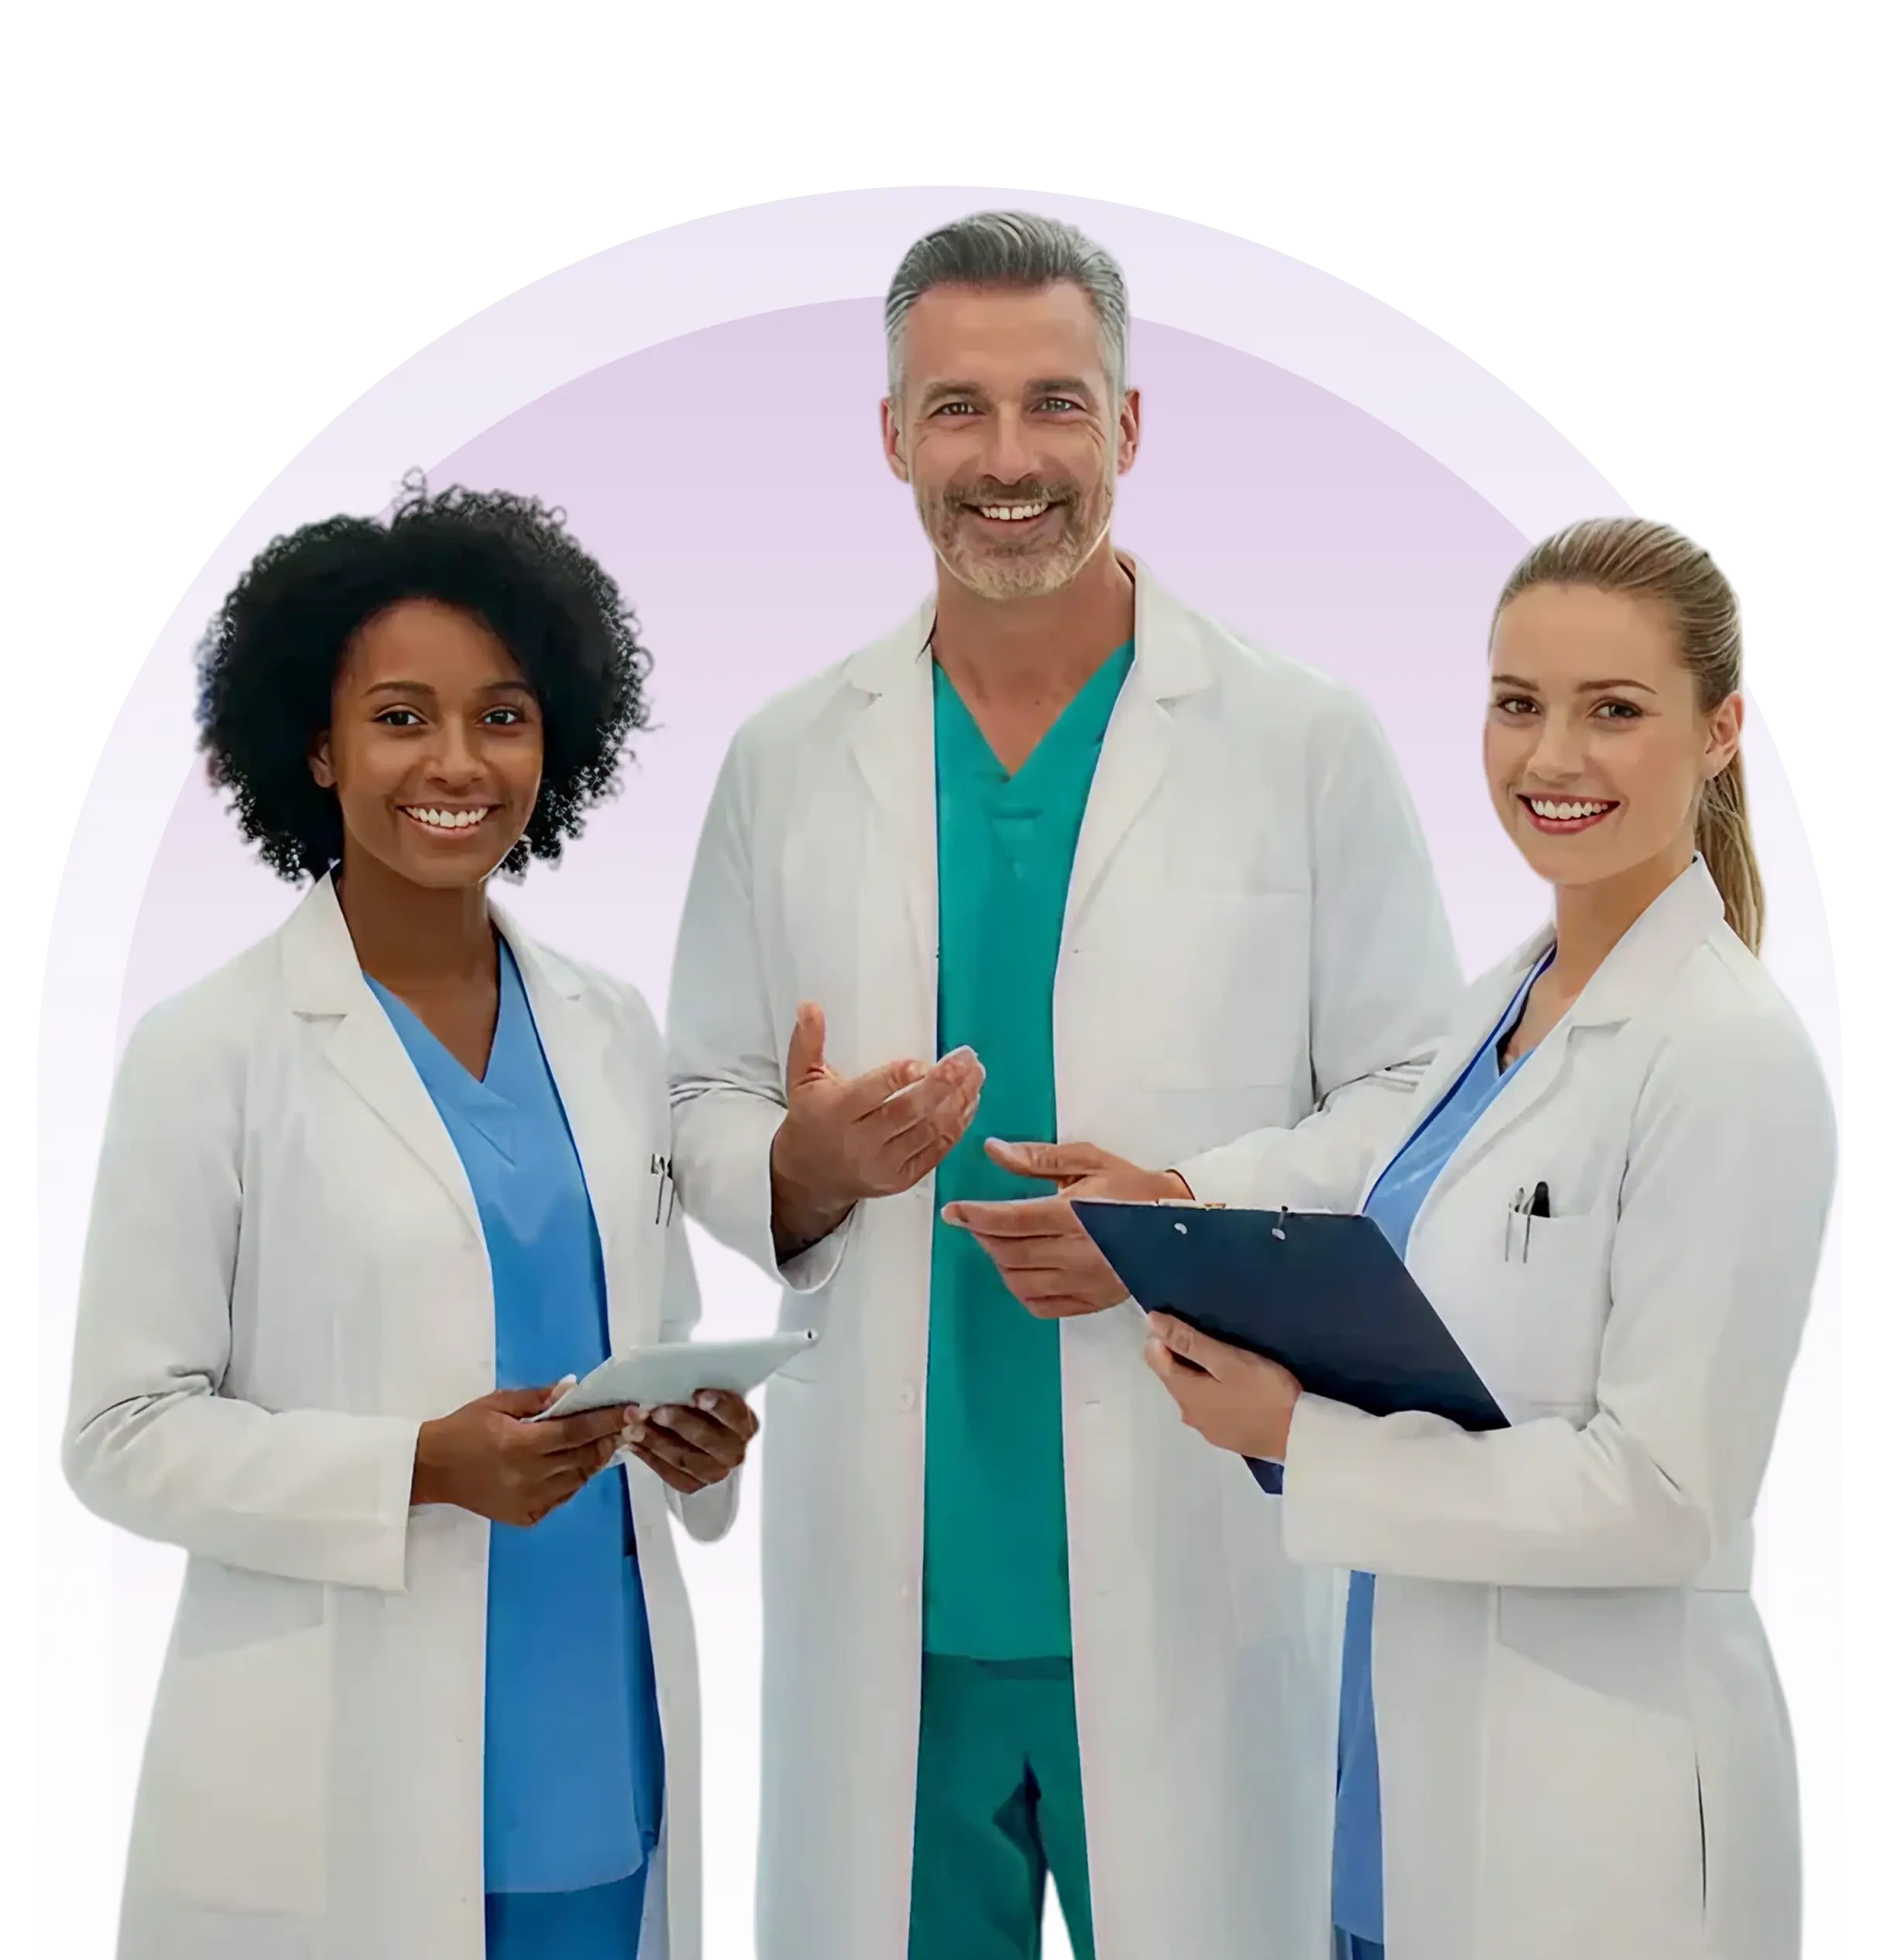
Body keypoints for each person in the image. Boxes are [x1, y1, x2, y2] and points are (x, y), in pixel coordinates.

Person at [663, 211, 1463, 1960]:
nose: (1009, 459)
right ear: (891, 434)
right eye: (958, 408)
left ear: (1131, 425)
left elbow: (1416, 1097)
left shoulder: (1302, 740)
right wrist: (798, 1165)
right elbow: (695, 1099)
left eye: (1056, 403)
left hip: (1194, 1543)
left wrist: (1178, 1211)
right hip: (897, 1584)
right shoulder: (784, 757)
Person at [952, 516, 1837, 1960]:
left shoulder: (1728, 1056)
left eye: (1615, 711)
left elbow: (1666, 1495)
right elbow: (1365, 1179)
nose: (1554, 756)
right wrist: (1169, 1197)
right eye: (1518, 704)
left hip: (1593, 1816)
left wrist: (1299, 1439)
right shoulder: (1509, 1003)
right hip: (1409, 1781)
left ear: (1722, 731)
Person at [61, 480, 757, 1960]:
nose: (457, 762)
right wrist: (419, 1468)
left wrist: (697, 1440)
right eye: (399, 718)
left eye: (502, 717)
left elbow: (655, 1336)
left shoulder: (609, 1027)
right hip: (341, 1777)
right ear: (316, 747)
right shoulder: (211, 1050)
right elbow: (120, 1434)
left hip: (598, 1744)